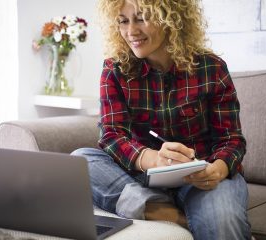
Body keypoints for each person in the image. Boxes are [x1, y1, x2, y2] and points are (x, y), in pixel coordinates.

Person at [71, 0, 251, 239]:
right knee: (80, 161)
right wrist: (155, 160)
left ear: (171, 19)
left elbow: (232, 140)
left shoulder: (211, 68)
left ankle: (154, 208)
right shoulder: (114, 69)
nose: (131, 31)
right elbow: (112, 136)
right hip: (141, 177)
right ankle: (173, 215)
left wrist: (217, 170)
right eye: (123, 21)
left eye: (142, 18)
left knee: (223, 219)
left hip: (200, 179)